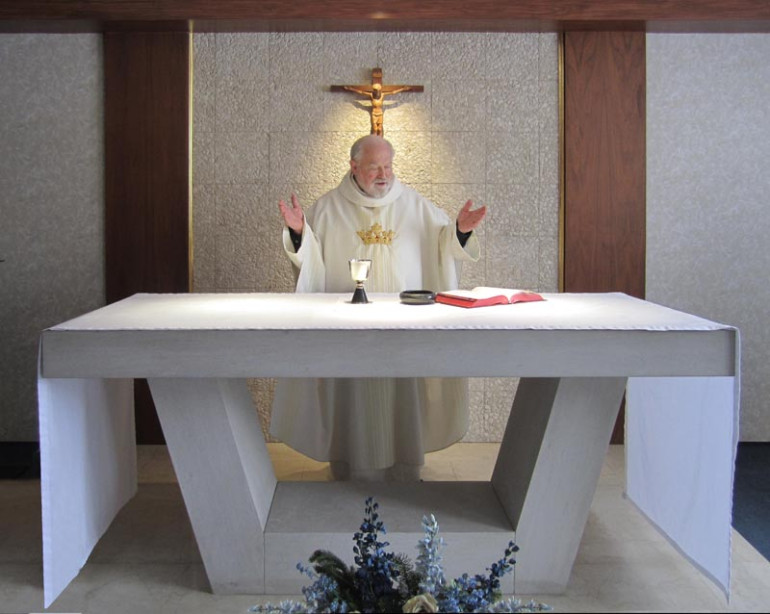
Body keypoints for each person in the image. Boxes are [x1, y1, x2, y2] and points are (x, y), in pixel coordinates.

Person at [272, 134, 486, 481]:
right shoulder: (328, 208)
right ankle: (348, 466)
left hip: (403, 332)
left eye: (387, 166)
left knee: (401, 397)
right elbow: (308, 258)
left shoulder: (416, 206)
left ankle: (405, 468)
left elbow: (444, 244)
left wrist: (459, 231)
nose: (383, 174)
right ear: (354, 166)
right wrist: (299, 233)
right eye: (373, 167)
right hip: (349, 333)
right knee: (354, 398)